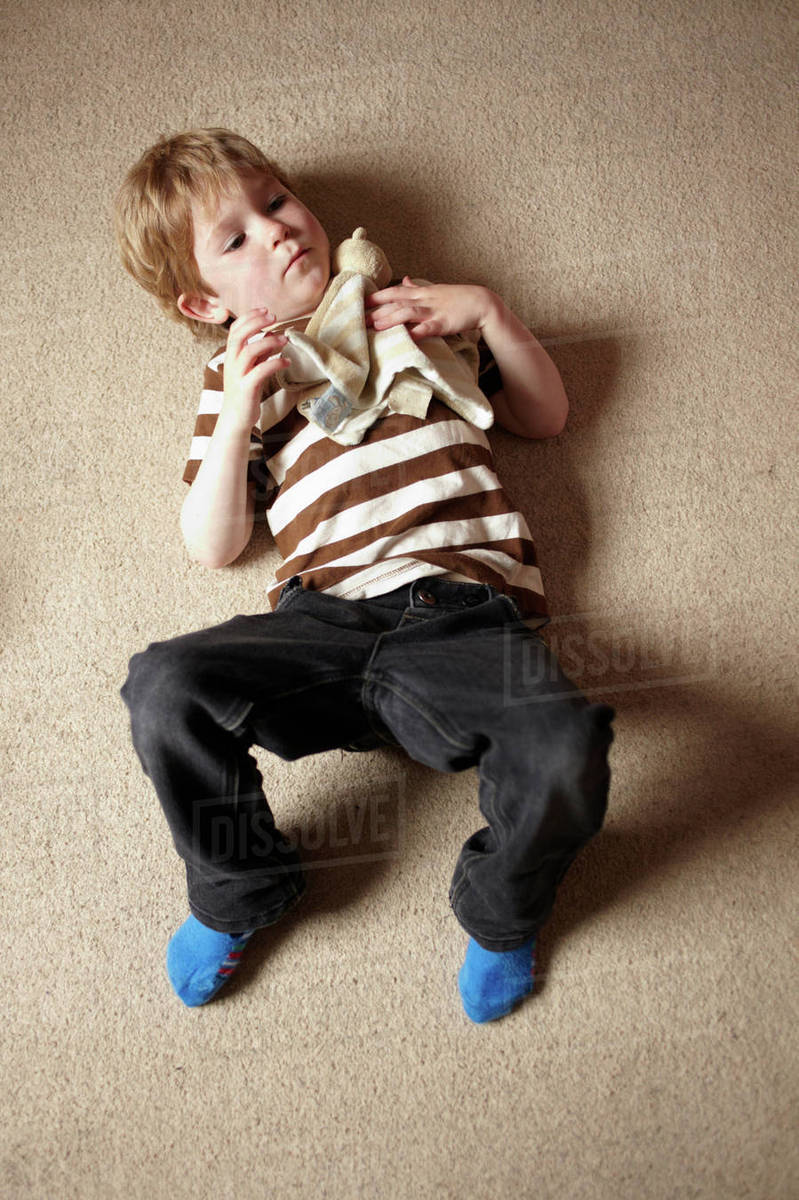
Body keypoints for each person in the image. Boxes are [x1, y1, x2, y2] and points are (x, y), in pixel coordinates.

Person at [115, 128, 615, 1022]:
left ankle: (503, 910)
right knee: (162, 684)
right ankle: (241, 883)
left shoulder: (411, 308)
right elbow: (214, 543)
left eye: (274, 203)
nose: (275, 232)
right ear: (204, 304)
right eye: (236, 241)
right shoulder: (241, 377)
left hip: (464, 619)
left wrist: (490, 312)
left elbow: (545, 417)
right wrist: (235, 417)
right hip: (324, 624)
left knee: (566, 746)